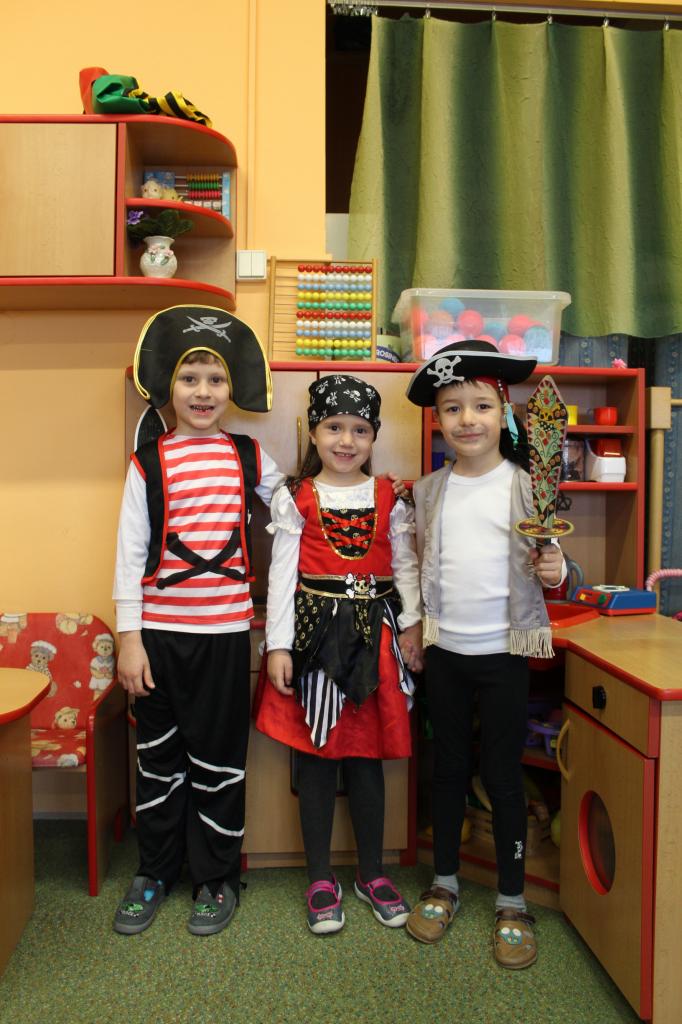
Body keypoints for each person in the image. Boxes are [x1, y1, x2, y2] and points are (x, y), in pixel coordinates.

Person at [112, 305, 282, 937]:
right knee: (157, 760)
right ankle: (154, 872)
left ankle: (216, 876)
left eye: (215, 379)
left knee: (220, 760)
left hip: (224, 635)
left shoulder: (249, 455)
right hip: (158, 637)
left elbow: (293, 512)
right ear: (169, 387)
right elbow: (129, 553)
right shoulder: (148, 463)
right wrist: (130, 639)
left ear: (231, 387)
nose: (202, 392)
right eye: (190, 379)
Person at [400, 340, 565, 969]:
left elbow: (557, 567)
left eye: (481, 406)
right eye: (452, 408)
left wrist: (554, 569)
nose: (467, 419)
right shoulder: (428, 492)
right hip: (446, 652)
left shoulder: (528, 488)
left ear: (504, 413)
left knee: (501, 775)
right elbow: (415, 563)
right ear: (438, 420)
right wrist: (415, 627)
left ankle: (512, 899)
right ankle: (444, 883)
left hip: (504, 653)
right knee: (446, 768)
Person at [254, 374, 422, 935]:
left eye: (359, 430)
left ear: (374, 437)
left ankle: (372, 872)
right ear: (314, 433)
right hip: (314, 644)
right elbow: (283, 576)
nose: (346, 441)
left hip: (375, 643)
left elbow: (404, 566)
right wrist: (278, 646)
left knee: (368, 760)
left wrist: (413, 625)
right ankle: (320, 877)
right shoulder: (296, 498)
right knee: (318, 759)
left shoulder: (390, 498)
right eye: (333, 428)